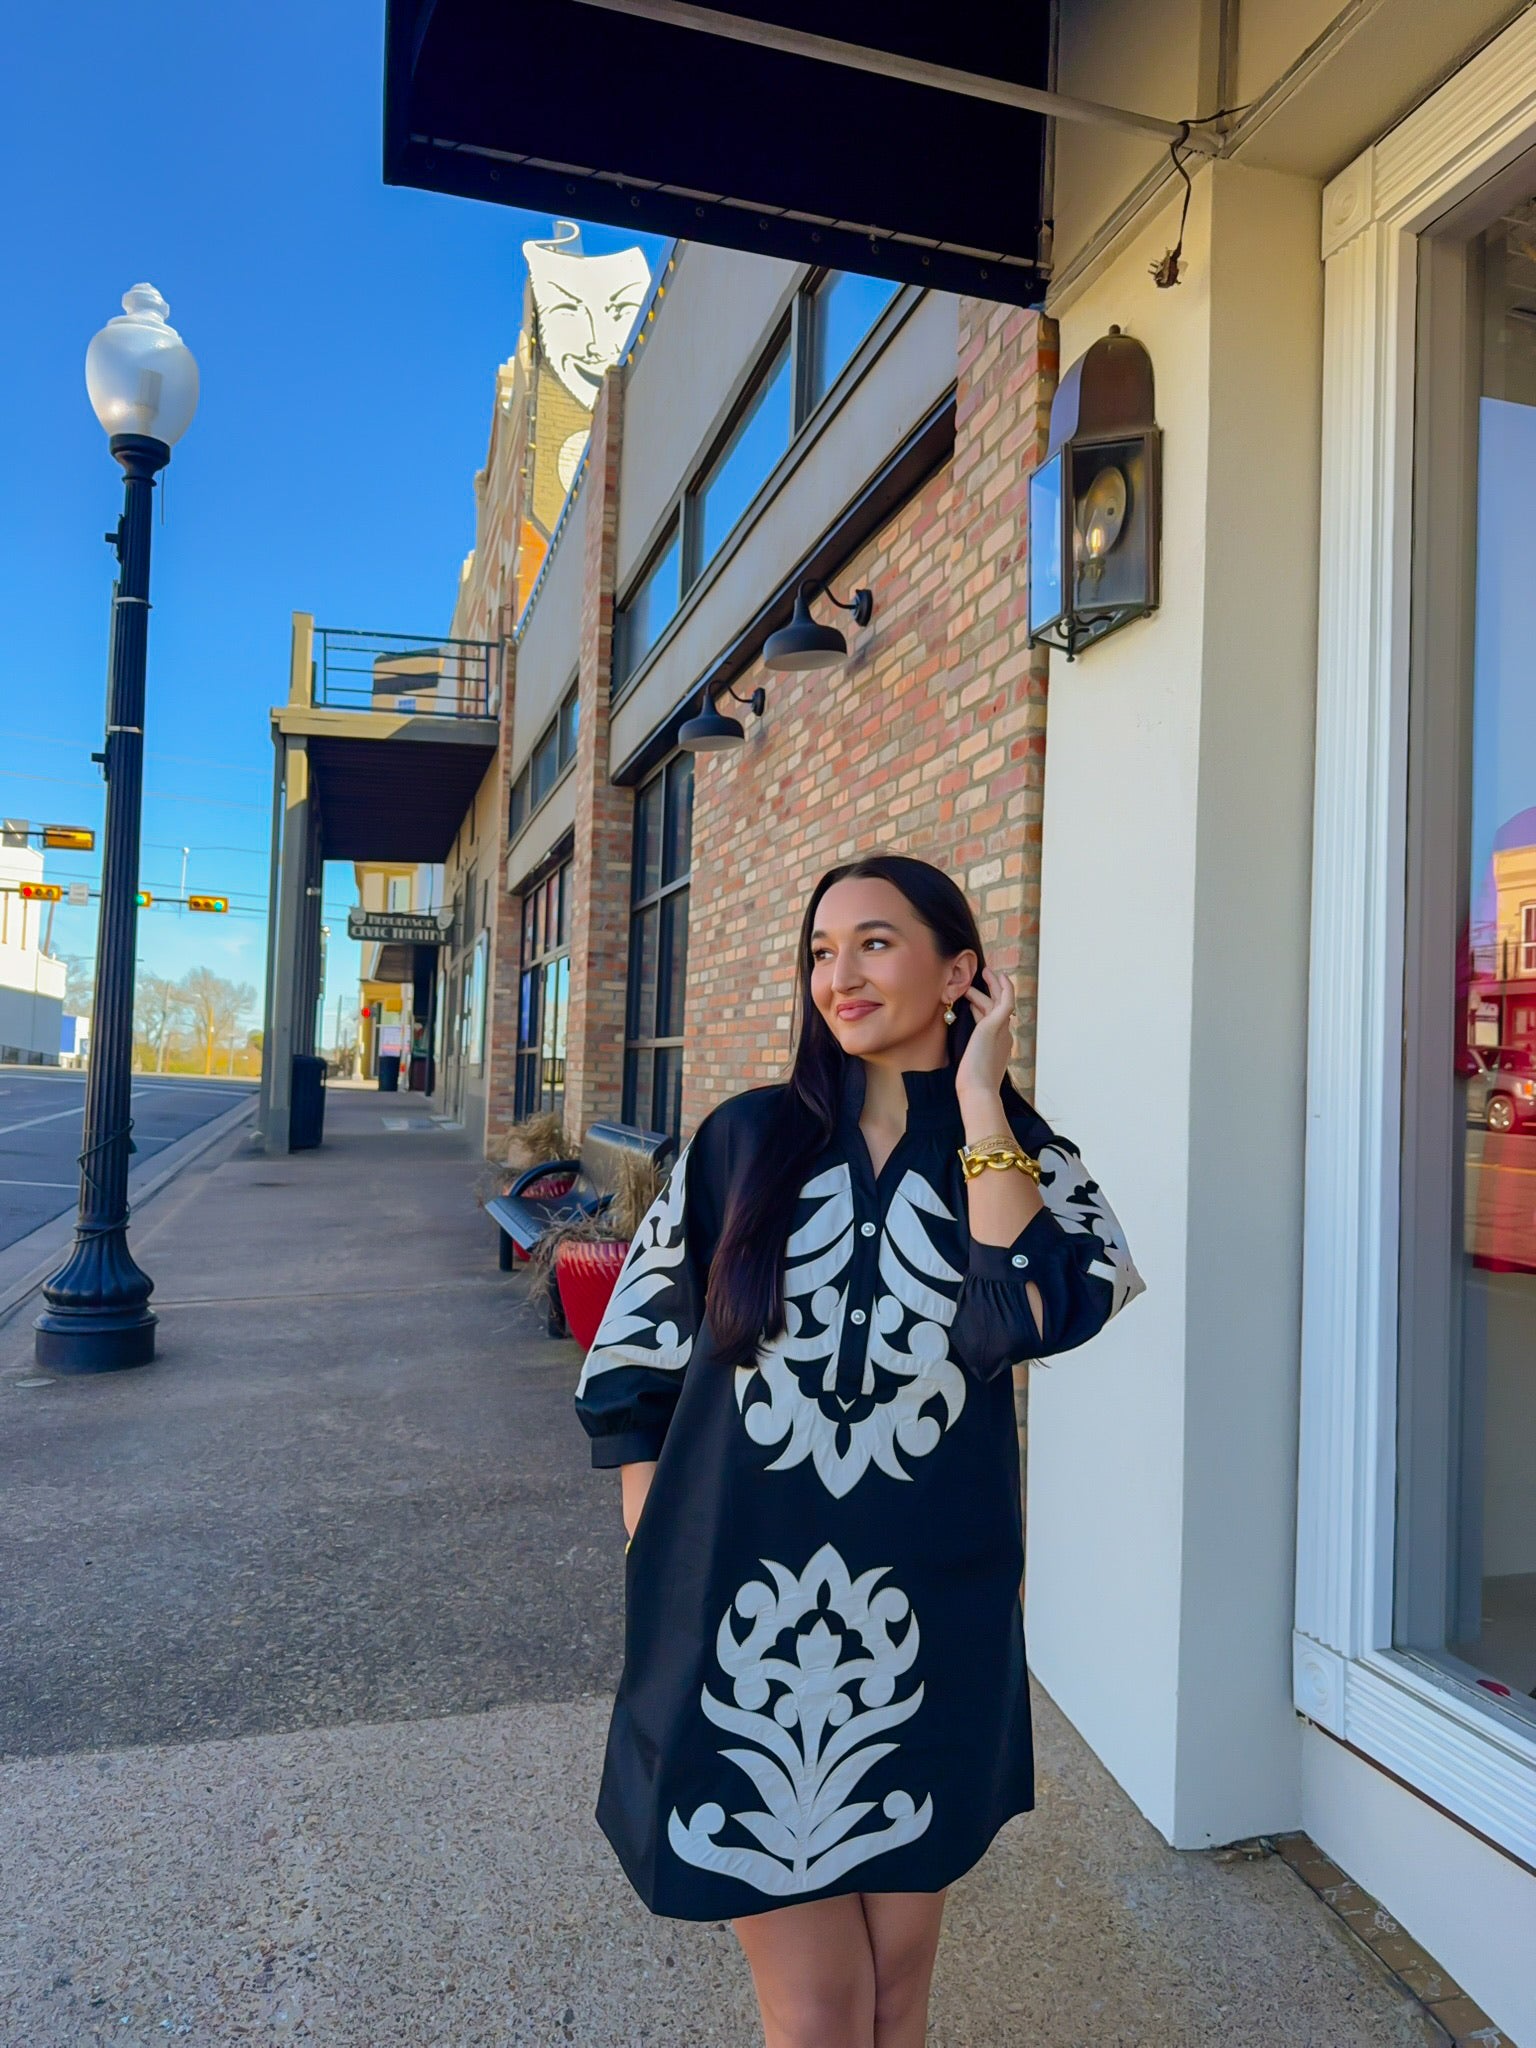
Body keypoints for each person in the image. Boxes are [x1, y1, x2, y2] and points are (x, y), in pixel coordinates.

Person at [574, 852, 1145, 2048]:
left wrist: (982, 1104)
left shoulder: (1033, 1163)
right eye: (822, 951)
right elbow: (633, 1371)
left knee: (898, 1997)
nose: (841, 974)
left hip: (931, 1618)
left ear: (960, 971)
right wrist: (656, 1548)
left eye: (877, 942)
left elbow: (1029, 1316)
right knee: (821, 2009)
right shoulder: (742, 1141)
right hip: (741, 1624)